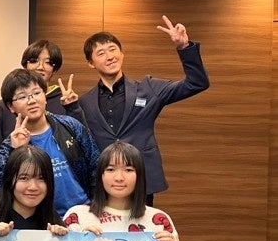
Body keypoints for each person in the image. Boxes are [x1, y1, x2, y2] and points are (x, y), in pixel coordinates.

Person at [78, 16, 210, 201]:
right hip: (104, 182)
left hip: (142, 178)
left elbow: (196, 83)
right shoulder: (85, 102)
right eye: (101, 53)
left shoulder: (149, 88)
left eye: (113, 49)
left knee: (143, 220)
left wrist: (184, 47)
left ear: (122, 54)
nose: (109, 56)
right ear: (91, 63)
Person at [0, 68, 99, 217]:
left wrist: (97, 207)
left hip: (84, 213)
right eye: (22, 97)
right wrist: (16, 152)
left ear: (45, 96)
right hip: (41, 221)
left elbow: (96, 165)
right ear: (10, 106)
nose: (32, 101)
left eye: (37, 93)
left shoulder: (70, 126)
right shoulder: (10, 144)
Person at [0, 40, 82, 146]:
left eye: (48, 62)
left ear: (54, 69)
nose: (40, 67)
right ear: (25, 65)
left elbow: (82, 141)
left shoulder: (65, 101)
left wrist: (73, 108)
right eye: (34, 61)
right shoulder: (6, 104)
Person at [0, 145, 68, 236]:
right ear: (9, 180)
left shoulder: (55, 223)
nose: (33, 187)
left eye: (41, 178)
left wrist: (62, 240)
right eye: (24, 178)